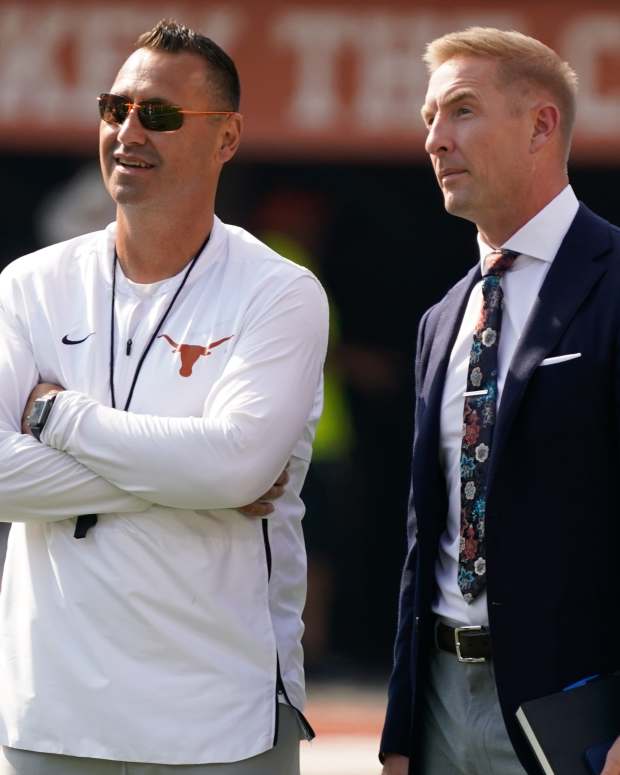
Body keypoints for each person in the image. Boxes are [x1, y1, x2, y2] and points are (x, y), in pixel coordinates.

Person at [0, 19, 328, 775]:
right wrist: (193, 470)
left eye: (162, 114)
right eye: (115, 108)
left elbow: (233, 470)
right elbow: (225, 473)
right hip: (48, 712)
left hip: (219, 718)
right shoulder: (30, 283)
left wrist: (55, 416)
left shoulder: (279, 290)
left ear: (228, 137)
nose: (128, 131)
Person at [380, 27, 620, 775]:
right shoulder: (441, 319)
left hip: (577, 714)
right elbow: (426, 542)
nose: (435, 140)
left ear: (542, 124)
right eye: (428, 120)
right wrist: (400, 731)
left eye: (460, 111)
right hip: (440, 707)